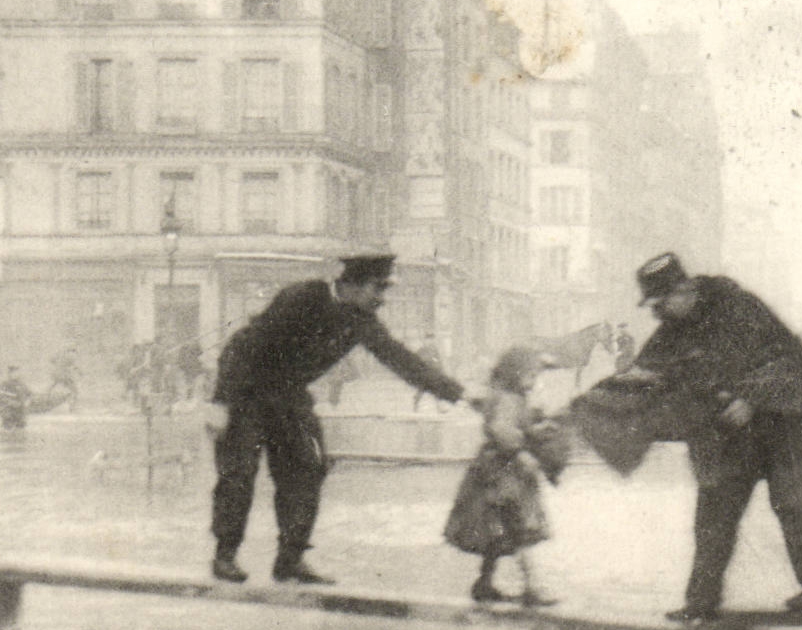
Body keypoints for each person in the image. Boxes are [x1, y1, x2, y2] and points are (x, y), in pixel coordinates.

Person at [613, 252, 802, 623]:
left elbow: (785, 357)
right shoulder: (674, 324)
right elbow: (649, 367)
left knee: (791, 504)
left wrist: (752, 396)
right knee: (715, 509)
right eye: (653, 305)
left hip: (790, 421)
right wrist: (622, 387)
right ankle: (701, 602)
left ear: (685, 290)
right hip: (737, 433)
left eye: (662, 302)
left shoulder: (738, 307)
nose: (658, 312)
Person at [206, 254, 466, 584]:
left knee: (308, 469)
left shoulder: (362, 320)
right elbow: (245, 346)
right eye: (377, 288)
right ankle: (225, 556)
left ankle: (290, 560)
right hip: (247, 393)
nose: (382, 298)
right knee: (238, 475)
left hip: (289, 395)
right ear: (352, 284)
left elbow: (399, 358)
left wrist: (456, 393)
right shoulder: (304, 296)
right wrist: (220, 401)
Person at [444, 347, 563, 606]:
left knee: (497, 531)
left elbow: (508, 425)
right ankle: (532, 587)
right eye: (531, 374)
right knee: (517, 526)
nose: (535, 380)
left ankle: (484, 583)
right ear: (516, 374)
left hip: (497, 472)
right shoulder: (509, 398)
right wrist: (521, 451)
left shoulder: (509, 396)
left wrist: (535, 427)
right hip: (504, 472)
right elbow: (501, 429)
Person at [412, 339, 445, 411]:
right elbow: (416, 360)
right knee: (421, 390)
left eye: (431, 340)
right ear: (425, 341)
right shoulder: (421, 350)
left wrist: (441, 369)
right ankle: (415, 405)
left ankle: (439, 408)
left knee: (436, 390)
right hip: (423, 374)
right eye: (428, 340)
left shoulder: (434, 350)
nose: (430, 342)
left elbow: (439, 361)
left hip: (432, 373)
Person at [48, 347, 80, 412]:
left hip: (56, 374)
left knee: (52, 386)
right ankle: (72, 407)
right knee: (75, 391)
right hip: (65, 375)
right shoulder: (71, 356)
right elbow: (74, 366)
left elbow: (51, 360)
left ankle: (46, 395)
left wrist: (58, 365)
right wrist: (79, 371)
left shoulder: (59, 354)